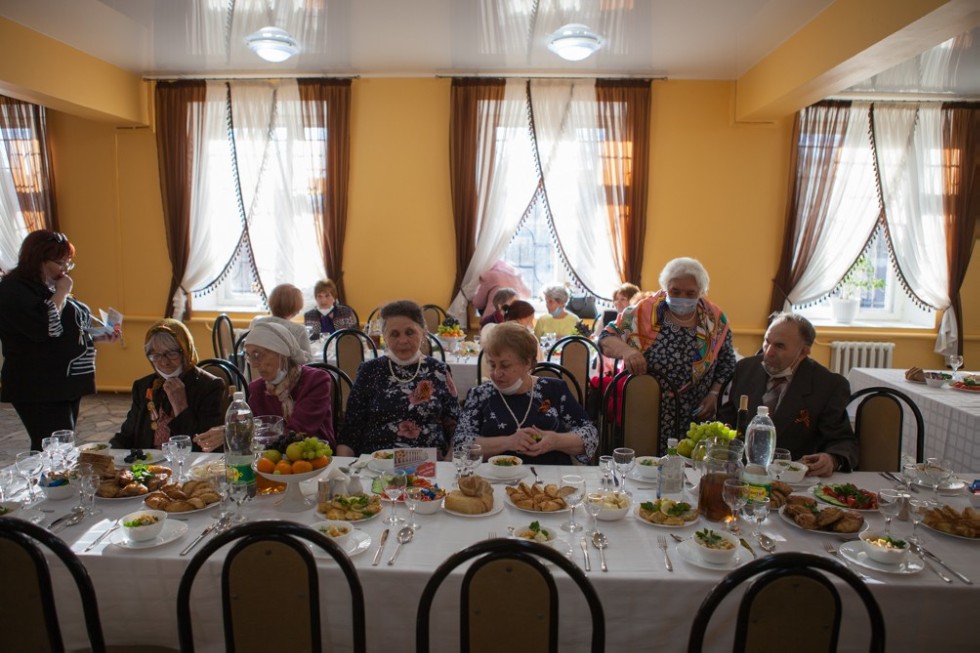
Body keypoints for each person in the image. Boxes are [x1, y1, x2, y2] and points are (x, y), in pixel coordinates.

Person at [0, 230, 120, 450]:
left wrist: (99, 335)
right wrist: (62, 293)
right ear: (38, 259)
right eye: (60, 262)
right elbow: (46, 328)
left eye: (68, 263)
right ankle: (43, 483)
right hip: (39, 385)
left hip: (65, 383)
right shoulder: (13, 290)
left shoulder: (48, 287)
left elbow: (68, 328)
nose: (65, 269)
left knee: (61, 443)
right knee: (52, 446)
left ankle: (52, 482)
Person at [599, 257, 735, 449]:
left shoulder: (714, 318)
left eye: (691, 293)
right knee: (644, 465)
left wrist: (714, 393)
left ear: (701, 292)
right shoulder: (645, 311)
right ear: (665, 288)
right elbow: (606, 337)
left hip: (695, 413)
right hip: (646, 410)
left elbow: (727, 362)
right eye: (675, 291)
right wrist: (627, 351)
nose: (683, 298)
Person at [718, 313, 858, 476]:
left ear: (803, 351)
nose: (768, 352)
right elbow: (727, 419)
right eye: (766, 342)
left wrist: (832, 459)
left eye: (779, 346)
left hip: (795, 478)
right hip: (743, 472)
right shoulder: (745, 369)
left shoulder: (828, 385)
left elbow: (843, 441)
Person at [455, 323, 598, 465]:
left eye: (505, 365)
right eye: (492, 365)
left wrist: (555, 441)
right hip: (494, 481)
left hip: (550, 481)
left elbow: (590, 436)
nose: (496, 373)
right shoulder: (480, 395)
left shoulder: (554, 390)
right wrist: (508, 442)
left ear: (527, 363)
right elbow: (460, 443)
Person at [336, 300, 459, 458]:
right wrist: (346, 471)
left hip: (431, 467)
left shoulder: (439, 370)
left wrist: (449, 465)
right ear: (384, 337)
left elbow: (457, 427)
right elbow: (350, 431)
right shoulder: (369, 371)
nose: (402, 341)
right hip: (377, 465)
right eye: (394, 334)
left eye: (409, 332)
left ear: (423, 333)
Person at [195, 321, 335, 450]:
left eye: (258, 355)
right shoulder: (257, 389)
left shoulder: (316, 380)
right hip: (273, 464)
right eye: (250, 357)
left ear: (281, 353)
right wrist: (233, 431)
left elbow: (298, 433)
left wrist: (236, 431)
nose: (254, 365)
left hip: (318, 459)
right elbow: (255, 436)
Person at [111, 319, 226, 451]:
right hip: (147, 466)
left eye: (172, 354)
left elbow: (204, 444)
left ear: (186, 351)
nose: (164, 362)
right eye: (156, 355)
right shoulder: (143, 386)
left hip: (186, 463)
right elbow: (127, 435)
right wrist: (106, 452)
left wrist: (180, 406)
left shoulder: (209, 386)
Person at [251, 283, 313, 362]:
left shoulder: (256, 323)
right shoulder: (299, 330)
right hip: (285, 374)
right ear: (296, 307)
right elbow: (310, 363)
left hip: (253, 373)